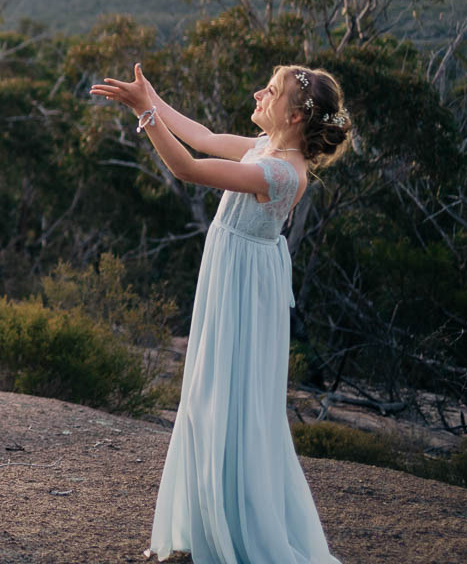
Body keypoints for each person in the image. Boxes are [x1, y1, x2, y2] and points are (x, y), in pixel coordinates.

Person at [91, 63, 350, 564]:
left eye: (270, 91)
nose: (257, 92)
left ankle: (231, 524)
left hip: (244, 286)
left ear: (295, 115)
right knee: (214, 391)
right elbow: (204, 137)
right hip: (235, 273)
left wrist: (145, 115)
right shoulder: (268, 150)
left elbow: (187, 167)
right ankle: (208, 516)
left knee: (229, 396)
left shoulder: (277, 171)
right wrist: (151, 98)